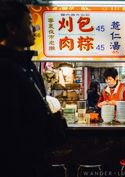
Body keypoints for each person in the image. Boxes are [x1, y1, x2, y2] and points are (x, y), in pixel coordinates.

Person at [0, 1, 67, 177]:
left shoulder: (27, 66)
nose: (35, 28)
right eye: (29, 23)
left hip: (35, 162)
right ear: (12, 28)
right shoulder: (5, 69)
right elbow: (11, 127)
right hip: (17, 166)